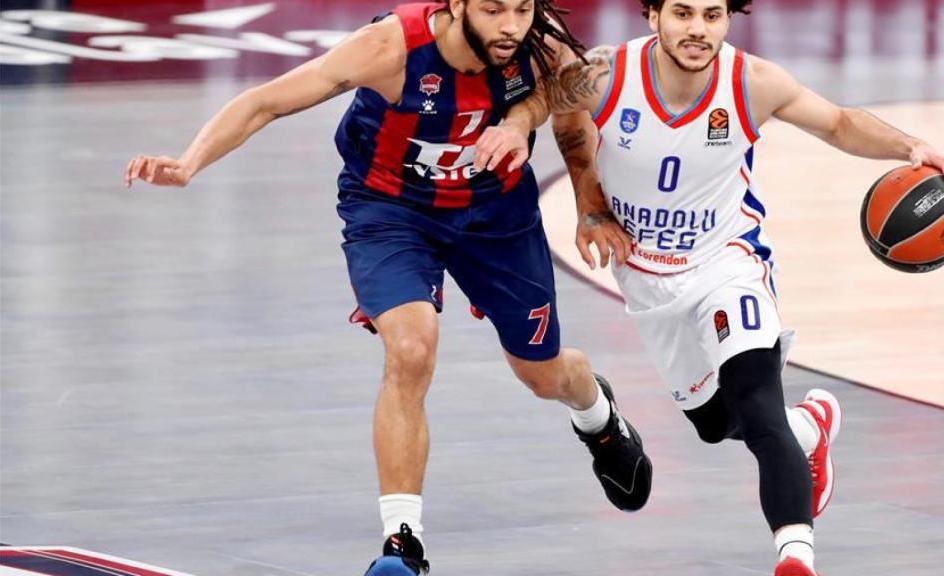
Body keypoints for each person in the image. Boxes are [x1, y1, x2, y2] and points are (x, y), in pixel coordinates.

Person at [122, 2, 654, 574]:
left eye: (522, 8)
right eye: (494, 8)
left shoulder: (542, 49)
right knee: (410, 348)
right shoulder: (389, 49)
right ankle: (403, 545)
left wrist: (590, 207)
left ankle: (597, 414)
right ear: (457, 5)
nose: (510, 25)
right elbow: (264, 102)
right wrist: (189, 163)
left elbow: (572, 122)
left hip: (497, 217)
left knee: (543, 374)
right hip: (390, 210)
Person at [474, 0, 944, 575]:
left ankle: (795, 556)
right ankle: (810, 427)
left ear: (728, 20)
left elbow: (837, 122)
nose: (697, 30)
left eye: (712, 15)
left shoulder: (751, 83)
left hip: (726, 261)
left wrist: (913, 148)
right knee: (715, 423)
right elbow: (548, 103)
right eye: (683, 13)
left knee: (757, 401)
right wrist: (545, 157)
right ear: (652, 14)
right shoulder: (608, 74)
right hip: (646, 275)